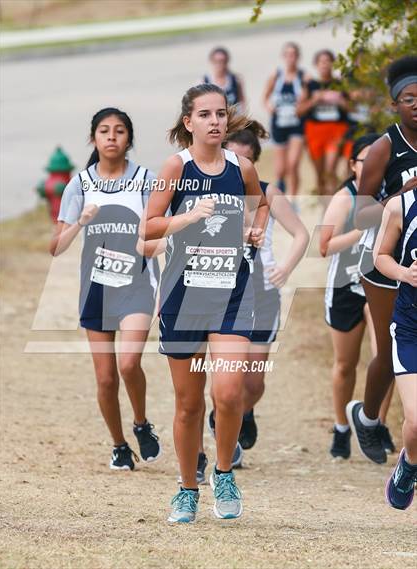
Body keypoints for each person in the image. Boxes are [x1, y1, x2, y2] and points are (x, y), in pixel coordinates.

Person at [140, 84, 268, 523]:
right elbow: (149, 227)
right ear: (188, 122)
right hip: (183, 295)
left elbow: (262, 205)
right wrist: (189, 217)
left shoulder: (243, 167)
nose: (215, 121)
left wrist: (255, 228)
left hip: (232, 292)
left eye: (221, 113)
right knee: (189, 403)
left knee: (229, 392)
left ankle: (226, 471)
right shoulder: (173, 168)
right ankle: (186, 488)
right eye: (205, 114)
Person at [50, 107, 164, 470]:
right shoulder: (79, 184)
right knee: (105, 377)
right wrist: (79, 222)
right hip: (97, 290)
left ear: (129, 139)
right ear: (93, 139)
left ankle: (142, 424)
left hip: (136, 285)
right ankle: (118, 445)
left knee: (129, 364)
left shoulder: (146, 180)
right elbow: (56, 246)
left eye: (119, 131)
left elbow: (161, 231)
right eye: (104, 131)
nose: (111, 136)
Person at [209, 120, 309, 455]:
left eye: (244, 161)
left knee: (253, 382)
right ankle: (227, 425)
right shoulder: (211, 194)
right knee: (228, 379)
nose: (237, 167)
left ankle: (244, 409)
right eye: (231, 158)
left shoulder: (267, 192)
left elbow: (301, 235)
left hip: (262, 293)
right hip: (222, 291)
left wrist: (285, 267)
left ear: (254, 162)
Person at [346, 55, 417, 465]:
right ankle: (369, 417)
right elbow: (361, 215)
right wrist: (402, 194)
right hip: (385, 259)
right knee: (393, 349)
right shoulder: (383, 148)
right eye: (409, 98)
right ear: (394, 104)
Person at [320, 135, 395, 459]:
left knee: (387, 358)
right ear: (353, 166)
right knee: (345, 365)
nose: (372, 165)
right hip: (345, 287)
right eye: (364, 160)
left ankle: (375, 423)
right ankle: (341, 428)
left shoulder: (394, 196)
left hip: (380, 286)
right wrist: (364, 228)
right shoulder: (345, 197)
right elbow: (324, 246)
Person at [374, 188, 417, 509]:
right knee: (416, 421)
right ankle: (410, 465)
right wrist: (406, 273)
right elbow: (380, 256)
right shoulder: (401, 205)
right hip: (410, 327)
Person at [297, 49, 349, 196]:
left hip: (336, 130)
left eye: (328, 61)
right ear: (316, 65)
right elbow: (299, 110)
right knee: (320, 175)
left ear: (333, 64)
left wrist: (340, 100)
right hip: (315, 131)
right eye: (321, 62)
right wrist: (315, 100)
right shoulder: (310, 85)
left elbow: (351, 109)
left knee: (329, 171)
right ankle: (324, 208)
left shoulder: (339, 84)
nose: (325, 65)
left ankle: (333, 206)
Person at [263, 42, 306, 202]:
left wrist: (302, 104)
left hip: (296, 125)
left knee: (293, 163)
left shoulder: (303, 76)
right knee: (281, 169)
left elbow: (310, 97)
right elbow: (265, 98)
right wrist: (270, 107)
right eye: (287, 54)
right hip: (279, 124)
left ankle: (293, 200)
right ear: (283, 57)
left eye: (293, 54)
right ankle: (281, 194)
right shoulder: (276, 76)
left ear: (298, 57)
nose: (291, 58)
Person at [203, 46, 246, 112]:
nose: (220, 64)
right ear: (211, 61)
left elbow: (242, 100)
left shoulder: (236, 79)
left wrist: (243, 115)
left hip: (234, 117)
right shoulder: (204, 81)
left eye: (223, 61)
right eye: (216, 61)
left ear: (227, 61)